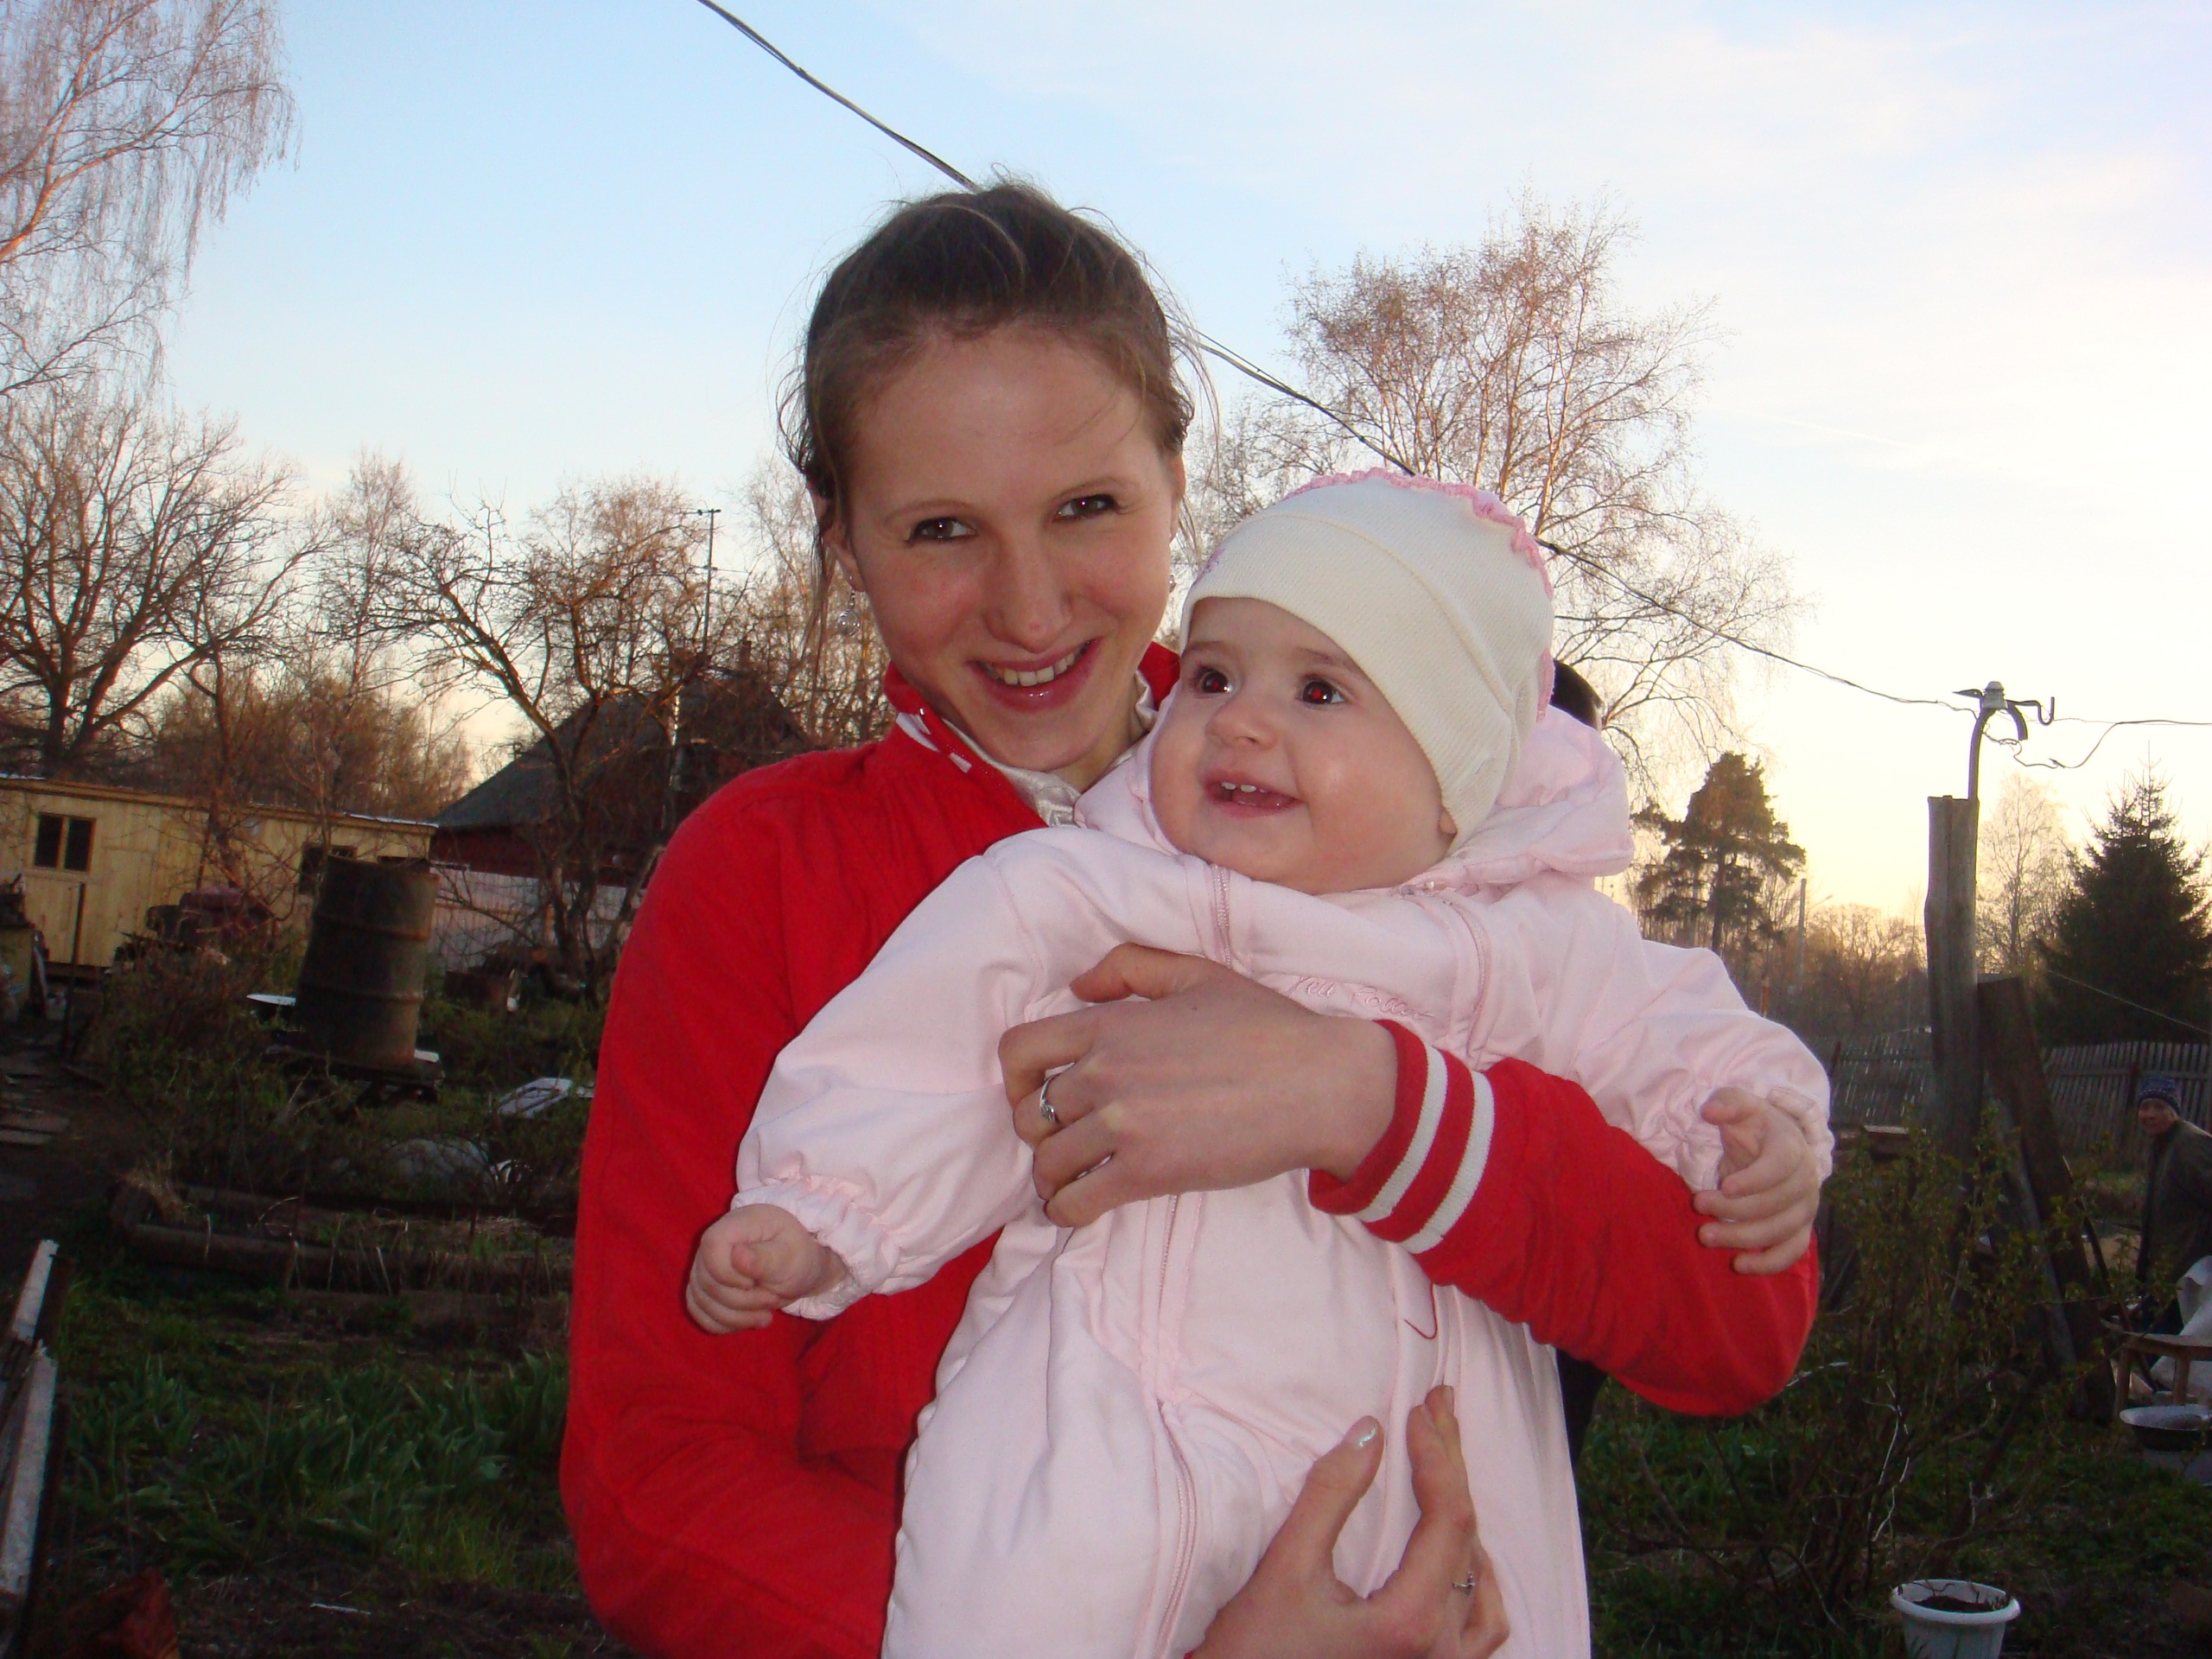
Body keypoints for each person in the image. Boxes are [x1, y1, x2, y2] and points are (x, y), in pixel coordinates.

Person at [562, 182, 1824, 1659]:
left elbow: (1742, 1327)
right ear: (840, 536)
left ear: (1175, 478)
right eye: (942, 530)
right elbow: (661, 1486)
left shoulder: (1398, 820)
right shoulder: (766, 874)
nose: (1030, 609)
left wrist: (1367, 1101)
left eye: (1087, 508)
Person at [2139, 1077, 2212, 1331]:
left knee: (2167, 1344)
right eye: (2145, 1107)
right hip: (2164, 1273)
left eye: (2159, 1107)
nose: (2150, 1114)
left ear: (2174, 1112)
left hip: (2189, 1275)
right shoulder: (2160, 1146)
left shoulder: (2191, 1144)